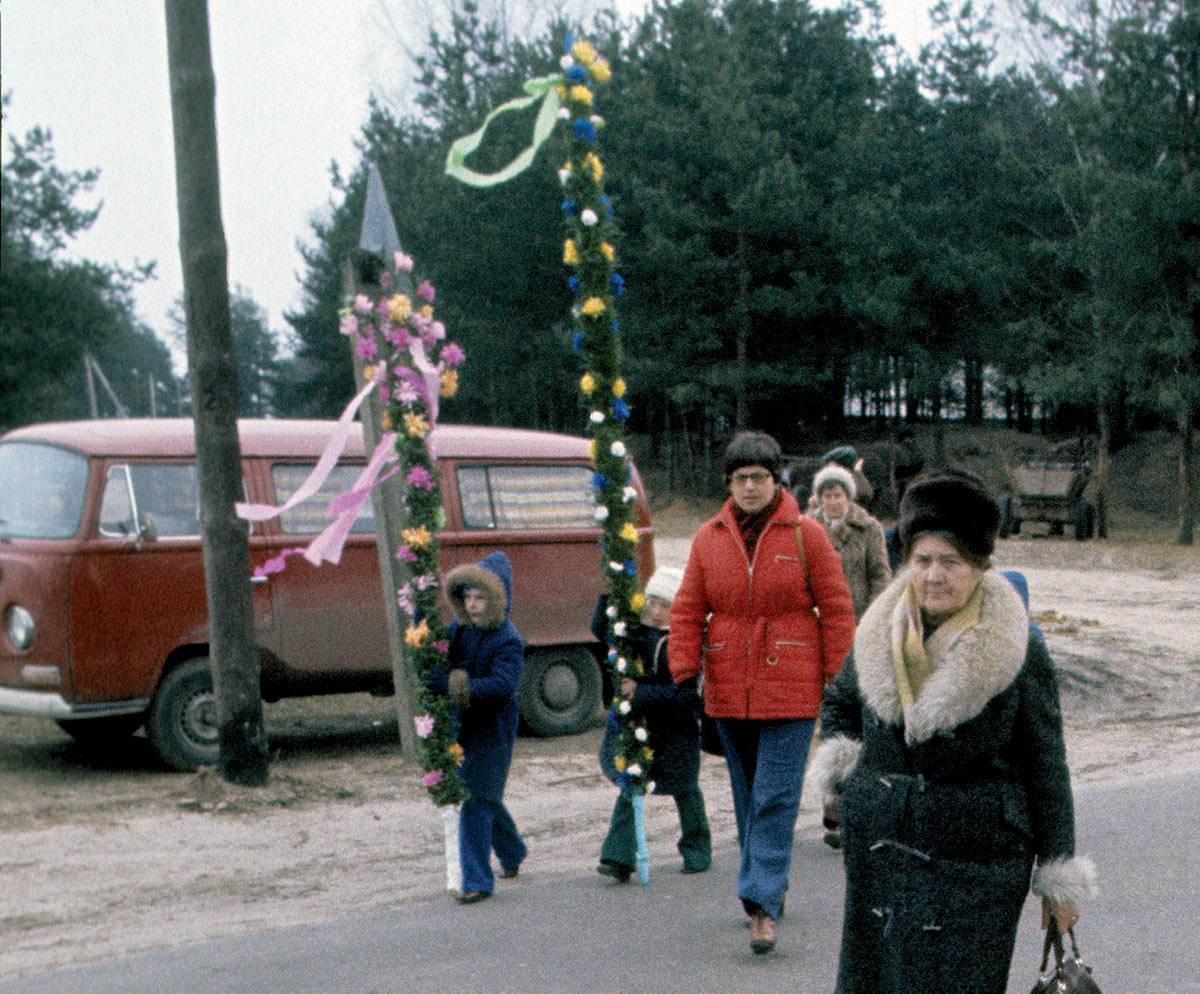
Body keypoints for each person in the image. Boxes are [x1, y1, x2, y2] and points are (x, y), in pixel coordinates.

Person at [810, 472, 1096, 992]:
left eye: (951, 561)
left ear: (981, 568)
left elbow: (1046, 765)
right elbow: (840, 702)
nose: (934, 576)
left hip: (978, 869)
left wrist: (1058, 878)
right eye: (922, 560)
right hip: (883, 854)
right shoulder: (879, 632)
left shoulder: (1017, 649)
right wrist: (845, 776)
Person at [669, 431, 855, 955]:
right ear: (729, 483)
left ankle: (761, 904)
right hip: (728, 687)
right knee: (748, 796)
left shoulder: (807, 534)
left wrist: (840, 680)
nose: (750, 487)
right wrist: (684, 673)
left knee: (775, 795)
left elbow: (837, 609)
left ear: (777, 481)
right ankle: (769, 881)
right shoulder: (708, 538)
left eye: (760, 477)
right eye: (741, 478)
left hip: (793, 688)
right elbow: (686, 609)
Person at [592, 566, 711, 882]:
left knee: (685, 789)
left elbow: (681, 692)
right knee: (631, 785)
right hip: (642, 725)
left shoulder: (685, 640)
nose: (657, 611)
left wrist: (641, 692)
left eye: (665, 606)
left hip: (677, 730)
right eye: (653, 603)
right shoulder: (639, 632)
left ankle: (697, 850)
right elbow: (602, 630)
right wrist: (611, 597)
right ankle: (619, 856)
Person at [434, 550, 528, 904]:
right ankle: (513, 851)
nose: (473, 605)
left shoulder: (508, 639)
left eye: (481, 598)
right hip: (465, 724)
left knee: (476, 798)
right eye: (468, 597)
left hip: (495, 728)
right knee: (484, 794)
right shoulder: (459, 629)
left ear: (497, 599)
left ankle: (476, 879)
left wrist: (463, 686)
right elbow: (438, 662)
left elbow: (503, 684)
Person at [808, 463, 891, 622]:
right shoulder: (808, 528)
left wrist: (873, 615)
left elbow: (880, 576)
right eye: (827, 496)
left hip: (858, 616)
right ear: (820, 499)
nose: (833, 502)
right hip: (820, 616)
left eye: (837, 495)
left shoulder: (868, 528)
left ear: (847, 496)